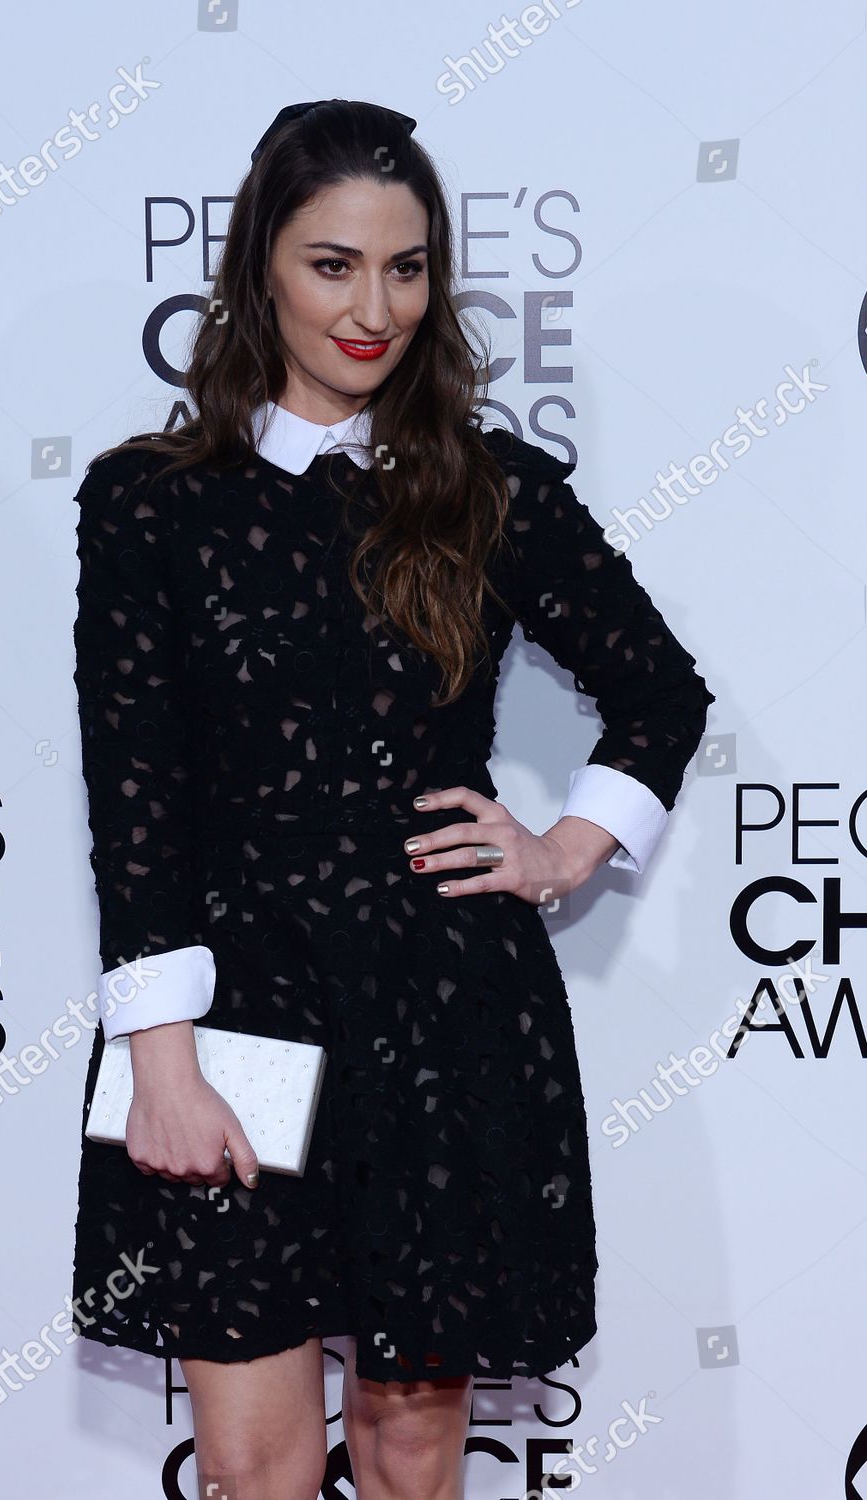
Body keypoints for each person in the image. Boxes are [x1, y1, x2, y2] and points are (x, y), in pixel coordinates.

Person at [69, 98, 716, 1500]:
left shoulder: (485, 489)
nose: (374, 307)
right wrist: (157, 1062)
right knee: (252, 1466)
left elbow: (663, 695)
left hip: (442, 1007)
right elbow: (135, 793)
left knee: (416, 1445)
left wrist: (558, 849)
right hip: (229, 1010)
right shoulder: (148, 504)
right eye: (332, 264)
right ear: (258, 270)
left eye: (406, 267)